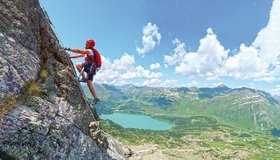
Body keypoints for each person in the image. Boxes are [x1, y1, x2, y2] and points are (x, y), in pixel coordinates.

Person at [65, 39, 100, 104]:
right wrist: (70, 57)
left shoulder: (89, 51)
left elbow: (78, 51)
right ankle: (96, 98)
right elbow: (79, 55)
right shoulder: (89, 52)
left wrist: (68, 49)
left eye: (86, 44)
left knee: (78, 65)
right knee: (89, 84)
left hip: (89, 67)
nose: (85, 45)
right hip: (92, 69)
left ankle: (84, 78)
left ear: (89, 45)